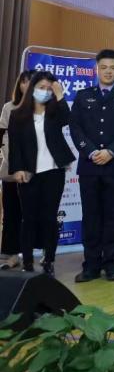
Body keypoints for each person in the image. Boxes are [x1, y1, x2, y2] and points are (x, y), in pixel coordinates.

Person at [69, 49, 114, 282]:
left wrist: (111, 151)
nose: (108, 71)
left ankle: (112, 264)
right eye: (104, 67)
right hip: (89, 167)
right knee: (91, 217)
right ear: (96, 69)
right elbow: (75, 127)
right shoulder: (83, 96)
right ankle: (91, 265)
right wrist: (91, 151)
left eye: (113, 68)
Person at [6, 72, 74, 276]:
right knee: (28, 218)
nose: (45, 92)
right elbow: (15, 146)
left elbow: (68, 119)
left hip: (54, 171)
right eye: (41, 87)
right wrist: (17, 169)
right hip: (29, 172)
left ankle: (49, 259)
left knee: (50, 217)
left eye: (49, 89)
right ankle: (27, 261)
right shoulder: (17, 114)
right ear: (32, 88)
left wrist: (60, 95)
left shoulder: (55, 112)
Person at [0, 70, 32, 269]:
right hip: (12, 170)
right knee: (11, 212)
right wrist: (15, 164)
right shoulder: (9, 107)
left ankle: (33, 254)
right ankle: (10, 254)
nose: (26, 85)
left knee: (34, 214)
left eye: (31, 82)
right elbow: (3, 136)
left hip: (36, 171)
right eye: (23, 82)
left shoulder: (43, 109)